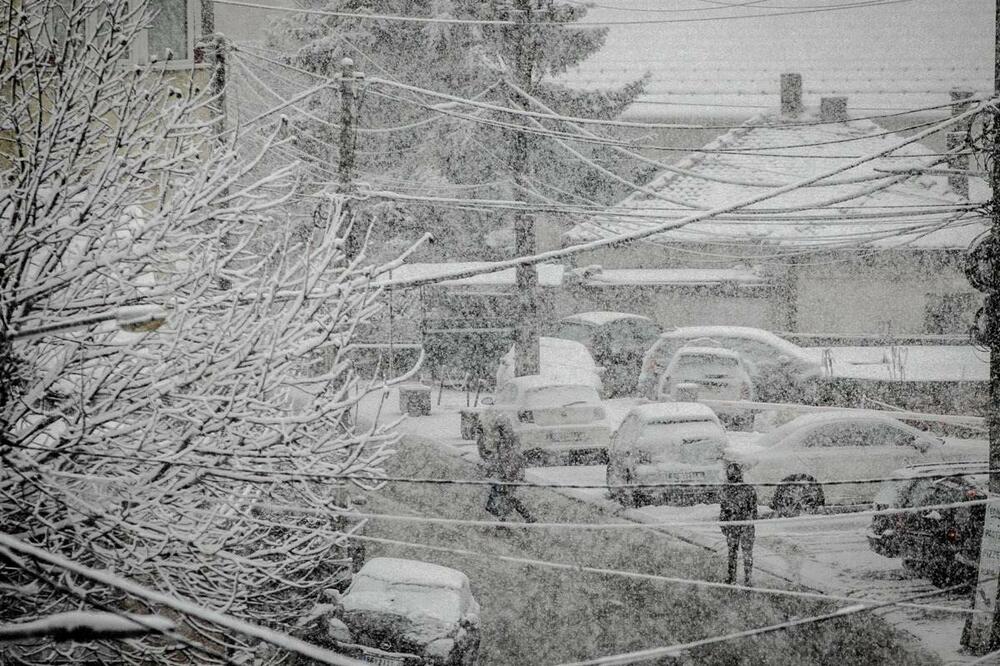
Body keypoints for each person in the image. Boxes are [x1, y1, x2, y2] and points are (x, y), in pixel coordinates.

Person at [484, 415, 535, 524]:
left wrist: (502, 471)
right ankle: (509, 518)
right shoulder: (507, 440)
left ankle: (505, 518)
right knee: (504, 497)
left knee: (503, 497)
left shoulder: (507, 441)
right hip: (508, 473)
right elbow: (505, 458)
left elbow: (508, 458)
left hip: (508, 474)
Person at [719, 461, 757, 586]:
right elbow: (753, 511)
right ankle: (747, 579)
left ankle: (732, 578)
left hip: (734, 526)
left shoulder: (725, 489)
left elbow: (723, 510)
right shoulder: (749, 489)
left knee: (732, 553)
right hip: (744, 525)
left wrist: (724, 524)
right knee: (746, 554)